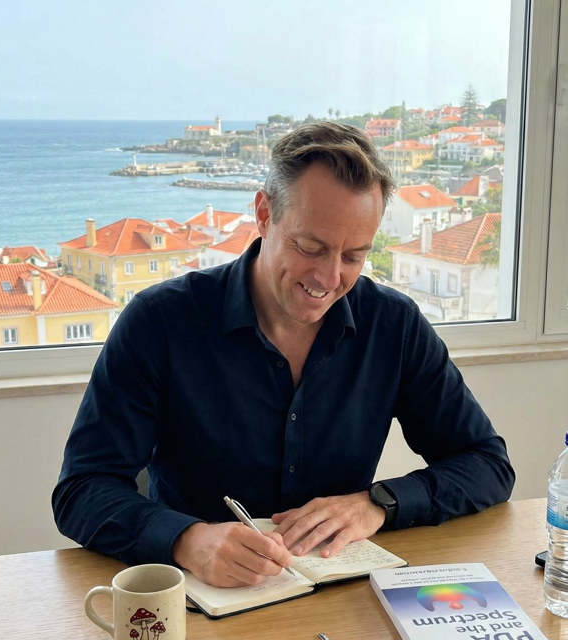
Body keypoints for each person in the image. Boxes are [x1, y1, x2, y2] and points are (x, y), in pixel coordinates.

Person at [52, 122, 515, 588]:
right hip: (201, 600)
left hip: (342, 597)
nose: (329, 279)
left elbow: (486, 463)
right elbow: (82, 490)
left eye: (353, 257)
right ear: (263, 214)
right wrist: (187, 540)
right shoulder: (159, 321)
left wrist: (378, 503)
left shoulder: (393, 325)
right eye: (311, 247)